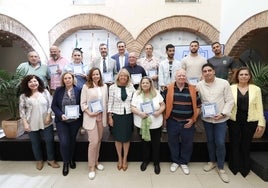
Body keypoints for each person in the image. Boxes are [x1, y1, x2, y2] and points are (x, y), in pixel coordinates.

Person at [196, 63, 234, 183]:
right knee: (210, 141)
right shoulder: (199, 85)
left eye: (209, 70)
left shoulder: (224, 83)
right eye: (205, 71)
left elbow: (230, 100)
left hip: (221, 119)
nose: (207, 73)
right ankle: (212, 162)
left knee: (220, 142)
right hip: (207, 119)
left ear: (214, 71)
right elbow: (197, 101)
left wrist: (223, 114)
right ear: (202, 74)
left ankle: (221, 167)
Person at [228, 67, 266, 177]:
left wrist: (261, 123)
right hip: (234, 119)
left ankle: (245, 167)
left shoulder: (256, 89)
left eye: (246, 74)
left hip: (250, 120)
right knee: (234, 143)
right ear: (237, 76)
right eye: (241, 74)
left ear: (249, 76)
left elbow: (259, 106)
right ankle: (234, 166)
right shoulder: (231, 88)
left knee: (246, 144)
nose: (244, 76)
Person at [163, 69, 201, 175]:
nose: (181, 77)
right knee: (172, 142)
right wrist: (164, 119)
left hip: (188, 122)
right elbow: (163, 105)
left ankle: (184, 162)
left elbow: (198, 106)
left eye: (183, 75)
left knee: (187, 143)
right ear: (175, 77)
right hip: (172, 121)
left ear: (186, 77)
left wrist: (193, 119)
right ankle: (175, 161)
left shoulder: (193, 89)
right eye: (179, 75)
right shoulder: (168, 88)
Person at [19, 75, 59, 170]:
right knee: (35, 143)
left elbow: (51, 104)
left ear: (39, 82)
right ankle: (39, 160)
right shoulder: (23, 96)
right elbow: (22, 111)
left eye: (35, 81)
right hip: (31, 123)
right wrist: (25, 123)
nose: (33, 83)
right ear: (27, 84)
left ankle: (51, 160)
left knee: (49, 141)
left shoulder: (44, 92)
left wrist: (49, 115)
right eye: (30, 82)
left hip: (46, 121)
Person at [131, 77, 165, 174]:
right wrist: (140, 113)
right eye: (143, 83)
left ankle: (156, 163)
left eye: (147, 83)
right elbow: (132, 107)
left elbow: (163, 105)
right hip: (141, 124)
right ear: (140, 85)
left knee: (156, 144)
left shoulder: (156, 93)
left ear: (150, 84)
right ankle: (145, 161)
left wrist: (159, 112)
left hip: (155, 124)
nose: (145, 84)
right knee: (144, 144)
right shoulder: (136, 94)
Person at [51, 72, 82, 176]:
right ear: (63, 80)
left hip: (75, 122)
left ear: (73, 79)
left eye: (69, 78)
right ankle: (66, 162)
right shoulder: (59, 90)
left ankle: (71, 158)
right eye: (65, 78)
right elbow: (54, 106)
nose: (68, 80)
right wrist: (60, 115)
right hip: (62, 121)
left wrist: (79, 114)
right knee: (64, 142)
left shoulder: (79, 90)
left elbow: (82, 105)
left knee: (72, 141)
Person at [80, 68, 108, 180]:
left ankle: (96, 162)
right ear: (90, 76)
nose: (96, 76)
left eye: (97, 74)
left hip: (101, 117)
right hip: (91, 117)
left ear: (100, 75)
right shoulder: (86, 87)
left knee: (99, 140)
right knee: (93, 142)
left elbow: (105, 101)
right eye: (94, 74)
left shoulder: (104, 86)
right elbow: (82, 103)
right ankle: (91, 167)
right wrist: (89, 112)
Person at [108, 68, 136, 171]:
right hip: (117, 115)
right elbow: (110, 102)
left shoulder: (131, 87)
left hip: (128, 115)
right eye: (121, 75)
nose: (123, 77)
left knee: (126, 138)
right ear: (118, 76)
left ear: (128, 77)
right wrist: (110, 117)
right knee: (118, 139)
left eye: (125, 76)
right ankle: (119, 158)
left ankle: (125, 159)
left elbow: (135, 100)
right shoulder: (112, 88)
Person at [181, 40, 207, 133]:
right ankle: (190, 122)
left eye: (195, 46)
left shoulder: (203, 59)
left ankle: (199, 125)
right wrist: (187, 82)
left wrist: (201, 81)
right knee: (190, 104)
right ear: (189, 47)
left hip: (200, 85)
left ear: (198, 47)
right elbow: (182, 72)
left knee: (200, 104)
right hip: (188, 86)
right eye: (192, 46)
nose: (193, 47)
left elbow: (205, 72)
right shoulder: (185, 59)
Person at [158, 44, 181, 132]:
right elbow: (160, 75)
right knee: (165, 107)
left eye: (173, 51)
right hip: (165, 89)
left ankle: (173, 125)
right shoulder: (162, 63)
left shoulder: (178, 63)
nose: (172, 52)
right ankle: (164, 125)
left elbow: (179, 76)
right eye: (170, 51)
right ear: (166, 52)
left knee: (174, 107)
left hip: (175, 88)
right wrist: (163, 86)